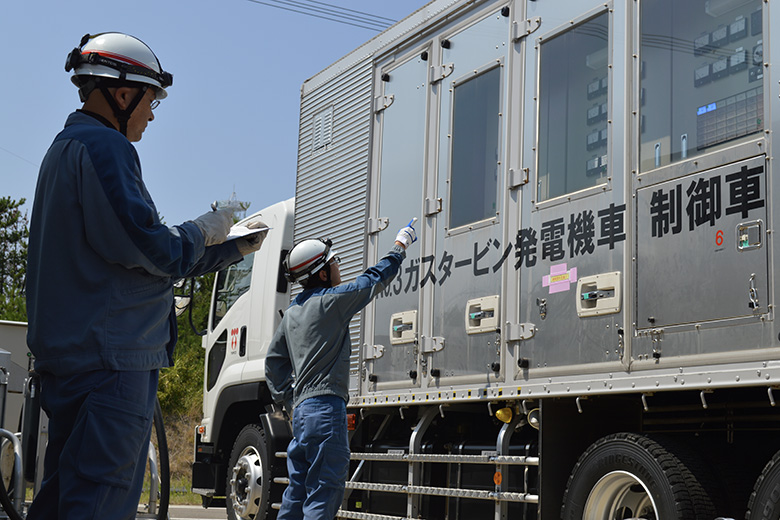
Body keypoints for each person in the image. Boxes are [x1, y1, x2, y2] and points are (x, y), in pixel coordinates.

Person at [25, 32, 267, 519]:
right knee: (98, 505)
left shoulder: (64, 150)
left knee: (63, 502)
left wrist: (233, 248)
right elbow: (151, 247)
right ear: (122, 93)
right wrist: (205, 228)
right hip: (110, 368)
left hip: (77, 364)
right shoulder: (104, 146)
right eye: (151, 100)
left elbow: (133, 261)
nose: (152, 113)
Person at [265, 220, 418, 520]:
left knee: (296, 493)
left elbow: (273, 363)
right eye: (334, 262)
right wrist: (399, 247)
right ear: (321, 273)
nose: (338, 267)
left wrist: (288, 401)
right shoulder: (331, 302)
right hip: (325, 412)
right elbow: (372, 280)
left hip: (302, 413)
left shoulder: (292, 313)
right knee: (323, 492)